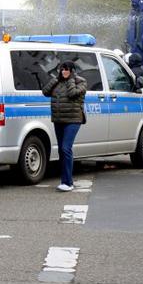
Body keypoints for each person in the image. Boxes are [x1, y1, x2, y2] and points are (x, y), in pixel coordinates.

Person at [42, 61, 87, 192]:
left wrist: (71, 79)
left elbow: (73, 93)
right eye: (62, 69)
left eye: (67, 69)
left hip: (73, 120)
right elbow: (45, 92)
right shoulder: (58, 81)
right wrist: (56, 79)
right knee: (61, 150)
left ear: (72, 70)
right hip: (58, 120)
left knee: (66, 148)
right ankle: (64, 181)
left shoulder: (81, 82)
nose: (64, 72)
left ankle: (68, 183)